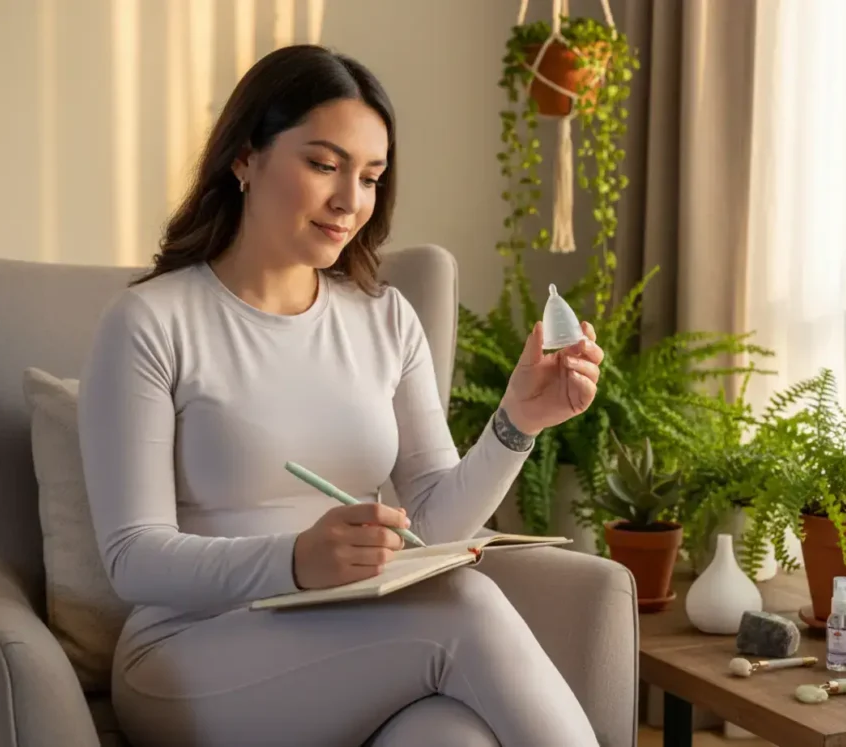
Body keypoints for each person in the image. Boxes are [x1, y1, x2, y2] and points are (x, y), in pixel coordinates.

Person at [76, 44, 605, 747]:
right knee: (466, 605)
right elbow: (132, 556)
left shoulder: (385, 318)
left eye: (371, 176)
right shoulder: (150, 323)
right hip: (188, 650)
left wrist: (517, 422)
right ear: (244, 157)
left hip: (350, 633)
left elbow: (434, 528)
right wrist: (294, 560)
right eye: (324, 165)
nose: (350, 201)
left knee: (450, 736)